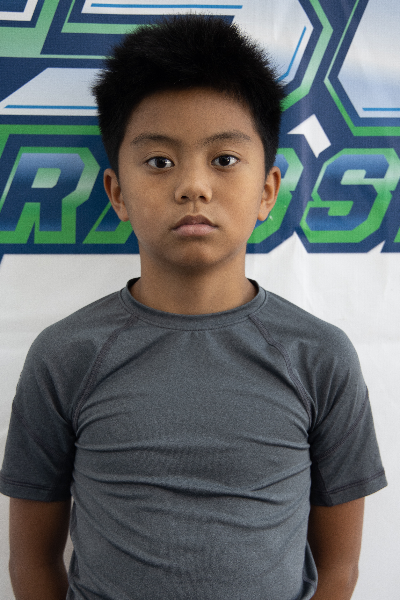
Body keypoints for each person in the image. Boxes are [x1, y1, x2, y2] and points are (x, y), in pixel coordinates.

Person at [0, 13, 387, 600]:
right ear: (117, 193)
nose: (193, 187)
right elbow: (31, 562)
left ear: (267, 191)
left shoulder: (319, 356)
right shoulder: (65, 355)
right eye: (160, 161)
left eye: (224, 159)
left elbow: (339, 570)